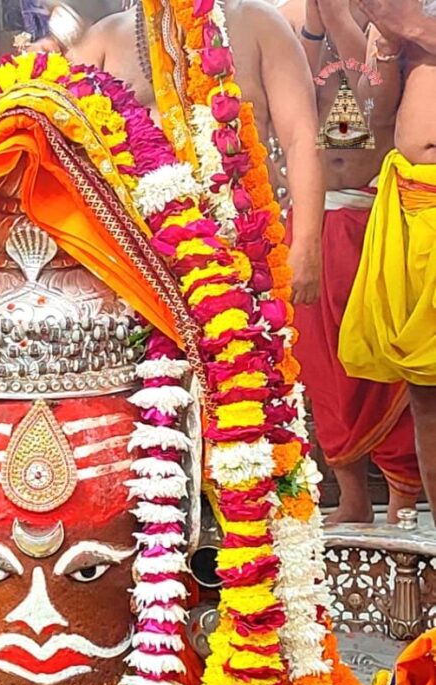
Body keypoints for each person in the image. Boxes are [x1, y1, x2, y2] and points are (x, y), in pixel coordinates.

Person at [56, 1, 324, 305]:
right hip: (139, 260)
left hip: (242, 252)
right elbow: (65, 145)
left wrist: (306, 242)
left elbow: (301, 137)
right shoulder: (103, 39)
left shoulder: (259, 22)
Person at [278, 0, 422, 522]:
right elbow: (308, 100)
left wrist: (341, 16)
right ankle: (353, 497)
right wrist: (317, 19)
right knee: (321, 364)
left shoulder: (397, 20)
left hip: (370, 216)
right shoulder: (294, 18)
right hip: (312, 218)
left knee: (379, 362)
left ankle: (402, 499)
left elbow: (372, 106)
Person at [338, 0, 436, 523]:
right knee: (427, 398)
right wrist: (386, 48)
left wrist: (416, 28)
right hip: (410, 205)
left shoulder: (415, 15)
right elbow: (360, 123)